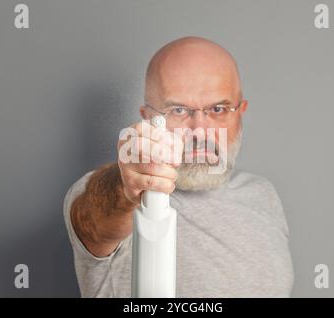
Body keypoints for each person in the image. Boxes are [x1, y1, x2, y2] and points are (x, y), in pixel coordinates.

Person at [63, 36, 294, 297]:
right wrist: (127, 185)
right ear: (148, 118)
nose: (200, 131)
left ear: (240, 112)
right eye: (179, 111)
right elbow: (96, 217)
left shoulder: (262, 194)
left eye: (218, 109)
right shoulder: (112, 194)